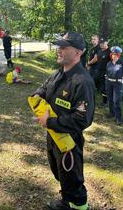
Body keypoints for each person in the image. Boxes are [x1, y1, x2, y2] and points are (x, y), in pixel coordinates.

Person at [33, 32, 95, 210]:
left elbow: (83, 119)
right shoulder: (59, 73)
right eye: (58, 46)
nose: (58, 50)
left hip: (69, 141)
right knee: (60, 174)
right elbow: (44, 87)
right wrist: (38, 95)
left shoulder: (83, 82)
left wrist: (50, 121)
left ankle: (79, 205)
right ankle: (66, 200)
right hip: (53, 137)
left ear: (78, 52)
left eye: (64, 47)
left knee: (72, 179)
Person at [105, 46, 123, 125]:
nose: (114, 56)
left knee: (117, 101)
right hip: (109, 83)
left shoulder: (122, 63)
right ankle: (112, 114)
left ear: (119, 55)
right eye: (113, 54)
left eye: (116, 55)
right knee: (110, 99)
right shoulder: (109, 63)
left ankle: (119, 118)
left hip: (117, 84)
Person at [96, 38, 111, 107]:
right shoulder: (100, 51)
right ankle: (100, 100)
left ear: (107, 43)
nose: (101, 44)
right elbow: (96, 59)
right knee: (100, 87)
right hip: (98, 71)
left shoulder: (109, 52)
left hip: (105, 72)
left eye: (103, 43)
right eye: (101, 43)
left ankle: (105, 102)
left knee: (104, 88)